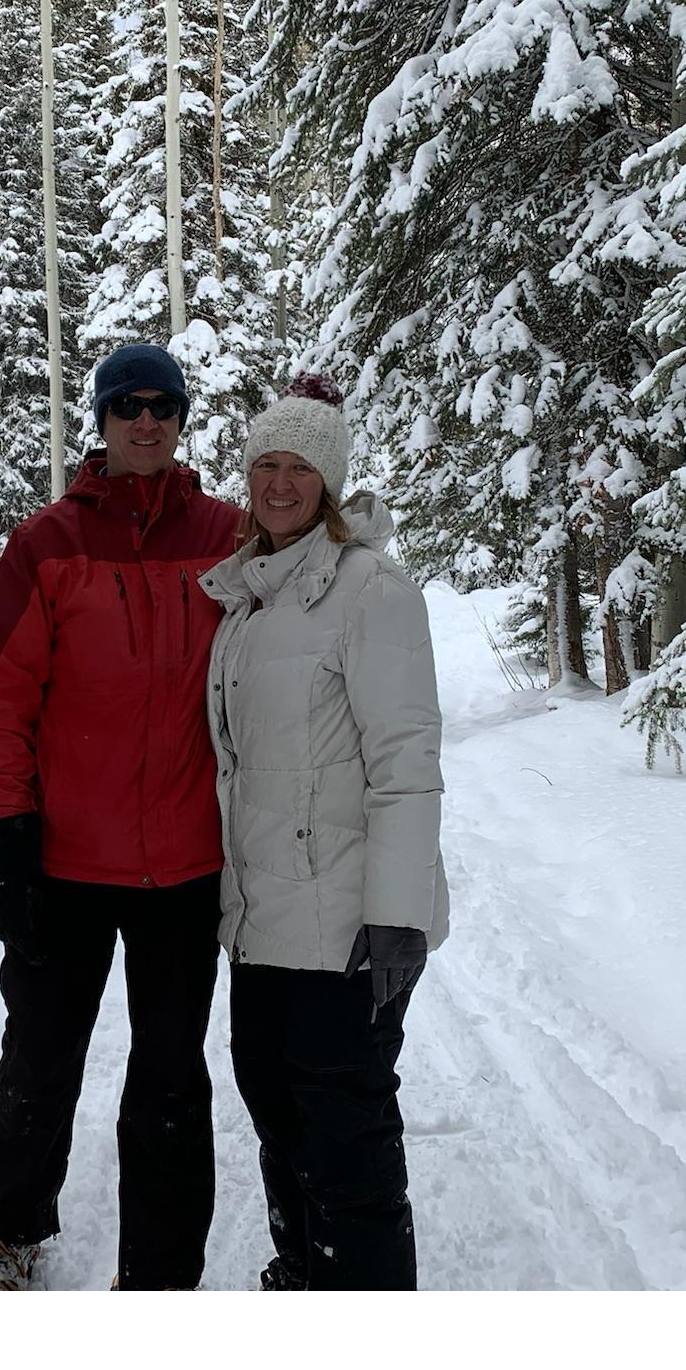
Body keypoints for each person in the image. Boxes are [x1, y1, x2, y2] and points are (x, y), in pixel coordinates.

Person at [0, 344, 242, 1290]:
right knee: (39, 1056)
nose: (145, 421)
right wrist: (10, 833)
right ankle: (8, 1230)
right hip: (66, 863)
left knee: (169, 1077)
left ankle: (159, 1275)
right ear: (103, 422)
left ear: (180, 417)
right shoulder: (47, 543)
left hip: (188, 867)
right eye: (127, 407)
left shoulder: (230, 539)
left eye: (162, 406)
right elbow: (0, 698)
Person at [199, 375, 449, 1291]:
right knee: (275, 1111)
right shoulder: (248, 598)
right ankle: (302, 1273)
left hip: (348, 928)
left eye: (299, 466)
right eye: (264, 463)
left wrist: (397, 917)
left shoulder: (370, 590)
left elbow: (406, 763)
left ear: (331, 481)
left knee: (346, 1135)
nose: (278, 482)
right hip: (263, 921)